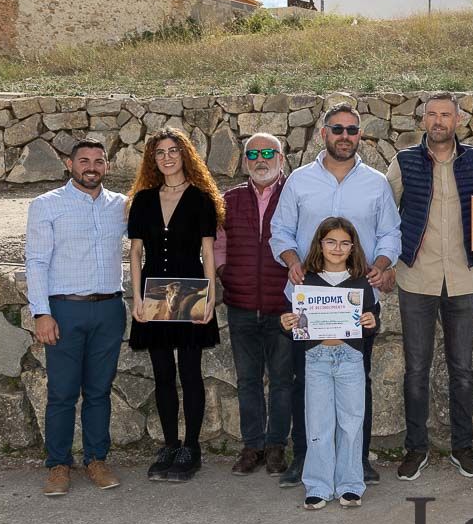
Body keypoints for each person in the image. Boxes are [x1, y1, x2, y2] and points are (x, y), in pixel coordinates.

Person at [270, 103, 400, 487]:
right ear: (324, 133)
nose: (345, 136)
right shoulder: (299, 180)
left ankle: (356, 461)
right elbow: (281, 230)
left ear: (361, 135)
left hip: (358, 297)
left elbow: (391, 233)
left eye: (352, 130)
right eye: (337, 129)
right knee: (303, 380)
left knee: (358, 378)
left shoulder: (376, 183)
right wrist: (292, 261)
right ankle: (305, 459)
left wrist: (381, 262)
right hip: (308, 296)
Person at [387, 91, 473, 481]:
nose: (438, 121)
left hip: (463, 278)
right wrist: (385, 261)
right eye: (432, 115)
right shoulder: (402, 162)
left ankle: (462, 447)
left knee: (462, 369)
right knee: (416, 368)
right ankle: (416, 449)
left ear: (458, 120)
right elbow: (386, 216)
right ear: (422, 121)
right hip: (416, 277)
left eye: (445, 115)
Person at [25, 139, 127, 496]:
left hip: (110, 308)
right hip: (65, 309)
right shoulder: (47, 205)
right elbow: (36, 262)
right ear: (69, 164)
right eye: (84, 160)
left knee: (99, 391)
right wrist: (42, 312)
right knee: (63, 392)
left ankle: (96, 459)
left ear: (107, 166)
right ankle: (57, 465)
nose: (92, 167)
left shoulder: (121, 206)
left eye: (99, 161)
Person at [127, 128, 224, 483]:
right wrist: (136, 298)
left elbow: (209, 251)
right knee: (163, 373)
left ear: (186, 155)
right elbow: (136, 253)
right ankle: (169, 445)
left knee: (190, 372)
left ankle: (191, 448)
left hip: (191, 291)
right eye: (159, 153)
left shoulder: (201, 199)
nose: (167, 157)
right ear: (152, 160)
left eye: (173, 151)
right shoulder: (143, 200)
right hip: (152, 293)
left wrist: (211, 296)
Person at [280, 217, 379, 510]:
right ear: (320, 245)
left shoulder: (361, 282)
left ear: (353, 247)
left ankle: (350, 484)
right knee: (318, 424)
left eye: (344, 243)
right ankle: (318, 485)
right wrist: (286, 322)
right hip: (317, 358)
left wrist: (371, 322)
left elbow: (371, 321)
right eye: (331, 242)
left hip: (350, 358)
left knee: (351, 423)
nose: (337, 248)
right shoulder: (305, 280)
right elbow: (291, 319)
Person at [214, 132, 292, 478]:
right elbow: (217, 243)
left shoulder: (296, 195)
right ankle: (253, 446)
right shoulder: (229, 199)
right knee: (247, 380)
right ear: (245, 162)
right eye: (253, 154)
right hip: (241, 304)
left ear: (281, 158)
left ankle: (276, 446)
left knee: (281, 381)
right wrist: (223, 272)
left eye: (268, 153)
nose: (261, 160)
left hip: (283, 306)